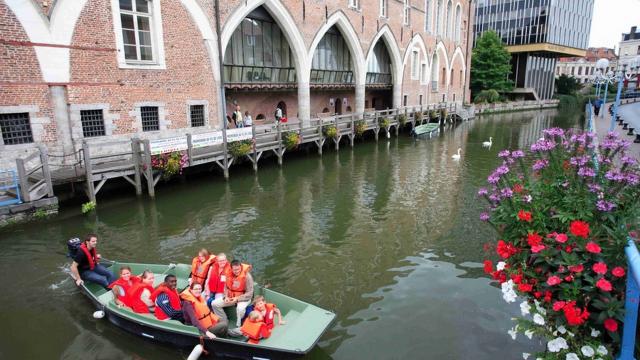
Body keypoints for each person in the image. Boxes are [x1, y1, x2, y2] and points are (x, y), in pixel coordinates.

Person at [211, 260, 253, 328]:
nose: (237, 271)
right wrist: (225, 297)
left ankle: (238, 325)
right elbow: (225, 288)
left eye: (238, 269)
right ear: (231, 269)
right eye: (235, 270)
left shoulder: (247, 277)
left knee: (240, 309)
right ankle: (224, 321)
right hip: (231, 297)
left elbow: (250, 293)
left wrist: (237, 299)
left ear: (241, 267)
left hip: (244, 298)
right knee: (214, 304)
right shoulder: (228, 274)